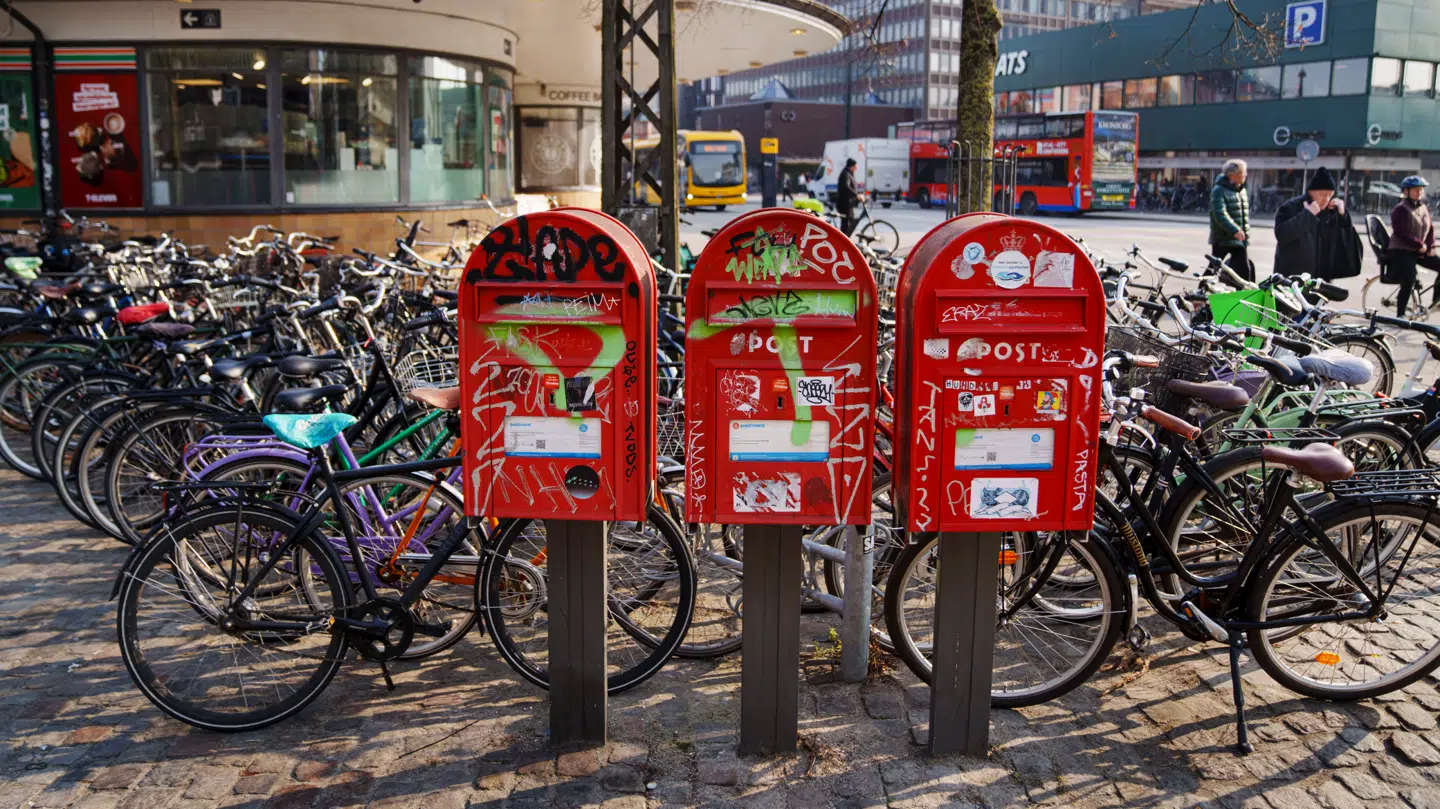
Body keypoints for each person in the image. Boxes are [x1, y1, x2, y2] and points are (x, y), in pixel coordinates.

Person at [1273, 166, 1362, 283]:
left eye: (1330, 195)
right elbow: (1282, 235)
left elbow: (1347, 243)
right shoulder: (1291, 207)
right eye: (1323, 194)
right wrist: (1308, 214)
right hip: (1293, 278)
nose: (1326, 199)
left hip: (1321, 280)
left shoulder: (1332, 210)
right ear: (1311, 192)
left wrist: (1343, 216)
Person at [1388, 175, 1439, 318]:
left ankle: (1437, 300)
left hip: (1419, 250)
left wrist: (1430, 247)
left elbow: (1430, 229)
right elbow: (1400, 232)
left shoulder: (1423, 206)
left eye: (1421, 190)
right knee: (1409, 280)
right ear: (1406, 192)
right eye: (1416, 190)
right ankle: (1400, 314)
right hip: (1402, 250)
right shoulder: (1400, 209)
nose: (1419, 192)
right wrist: (1418, 244)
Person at [1209, 159, 1252, 280]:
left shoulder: (1241, 190)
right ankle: (1199, 293)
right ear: (1233, 174)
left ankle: (1243, 296)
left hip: (1238, 240)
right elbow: (1219, 214)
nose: (1245, 175)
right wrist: (1235, 230)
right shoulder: (1219, 190)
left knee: (1244, 270)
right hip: (1222, 238)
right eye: (1243, 173)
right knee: (1213, 269)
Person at [837, 158, 860, 236]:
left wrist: (858, 194)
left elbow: (851, 187)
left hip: (848, 204)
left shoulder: (849, 173)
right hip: (844, 204)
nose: (856, 168)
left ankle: (846, 239)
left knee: (850, 223)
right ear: (852, 166)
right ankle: (843, 241)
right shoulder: (846, 174)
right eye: (855, 166)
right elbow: (846, 187)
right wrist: (856, 195)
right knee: (846, 225)